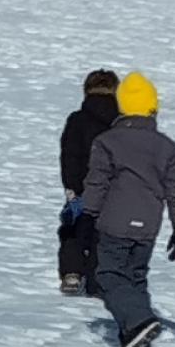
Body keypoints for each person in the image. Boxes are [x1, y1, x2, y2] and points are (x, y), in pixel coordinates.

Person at [76, 72, 175, 347]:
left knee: (109, 275)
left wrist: (87, 215)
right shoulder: (168, 147)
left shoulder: (107, 141)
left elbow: (98, 182)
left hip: (115, 221)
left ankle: (139, 321)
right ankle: (133, 333)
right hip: (148, 226)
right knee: (135, 276)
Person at [57, 69, 119, 296]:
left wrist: (71, 187)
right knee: (104, 236)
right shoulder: (122, 121)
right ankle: (98, 279)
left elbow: (69, 155)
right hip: (114, 190)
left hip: (83, 186)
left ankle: (72, 273)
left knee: (72, 230)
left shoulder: (77, 120)